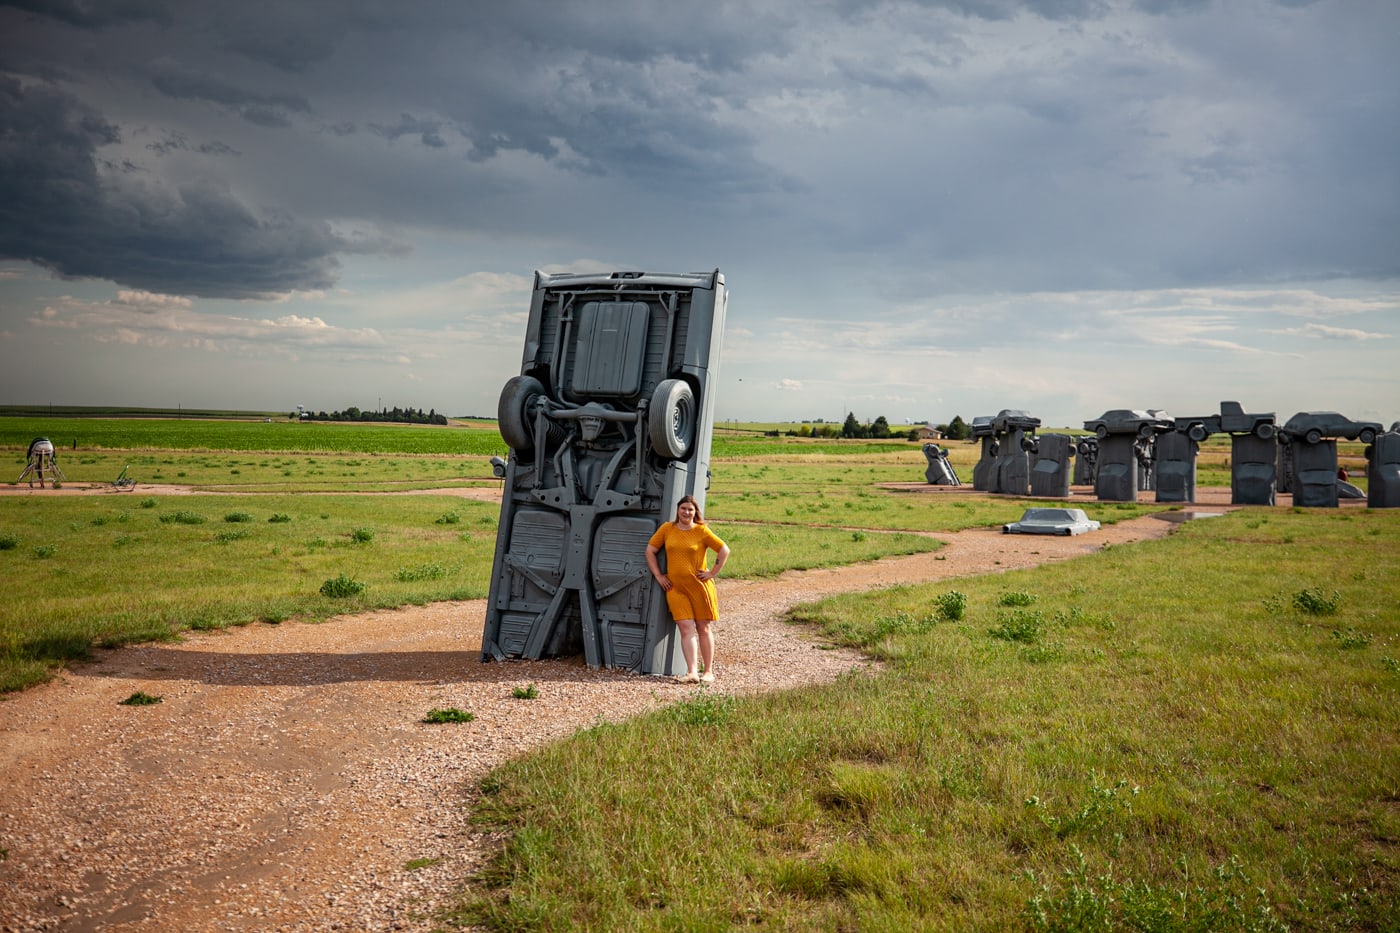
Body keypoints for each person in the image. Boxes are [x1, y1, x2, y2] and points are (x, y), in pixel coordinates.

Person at [646, 495, 730, 684]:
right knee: (685, 628)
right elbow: (650, 550)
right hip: (675, 588)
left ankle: (708, 671)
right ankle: (692, 672)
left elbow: (724, 549)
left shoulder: (701, 531)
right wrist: (659, 576)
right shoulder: (667, 529)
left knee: (703, 628)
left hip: (699, 587)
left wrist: (712, 572)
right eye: (683, 508)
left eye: (690, 509)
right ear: (678, 510)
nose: (686, 512)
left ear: (695, 512)